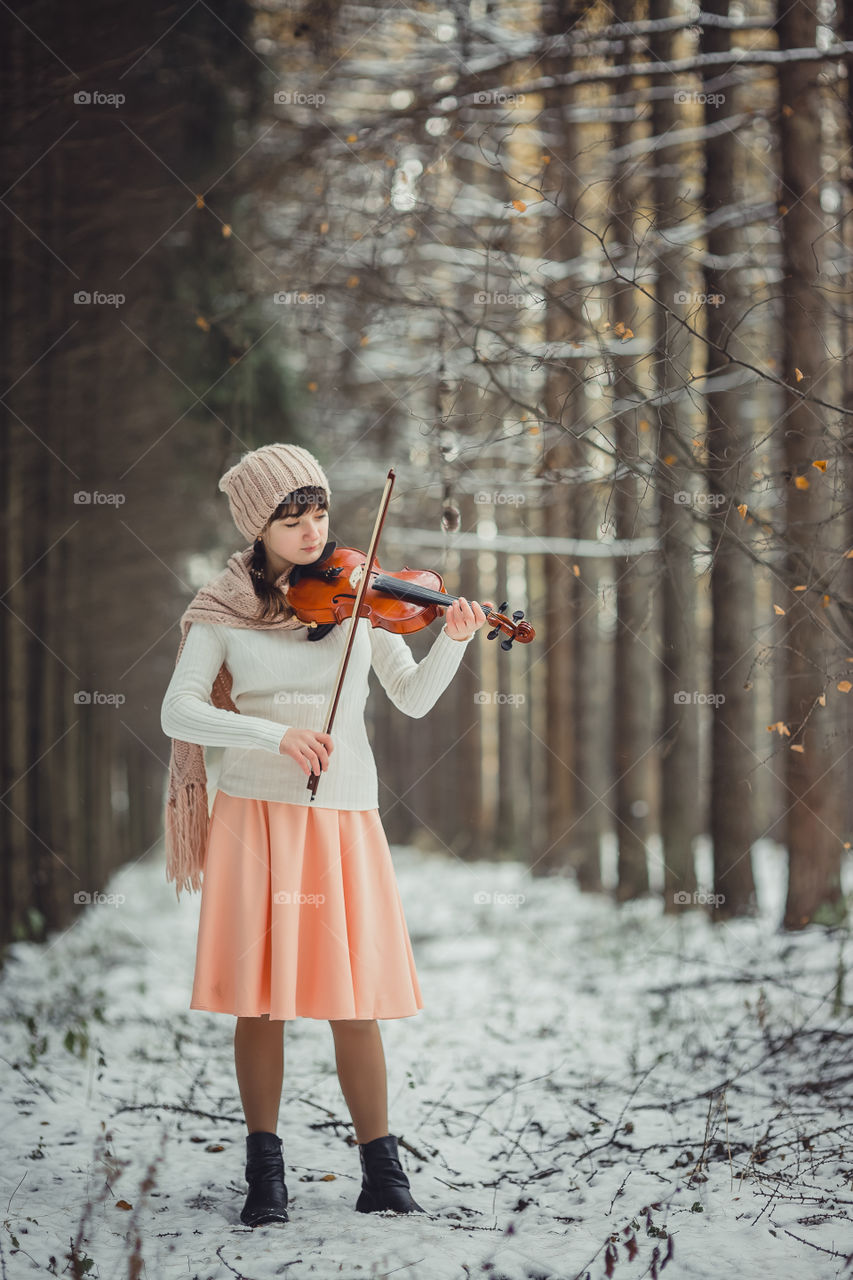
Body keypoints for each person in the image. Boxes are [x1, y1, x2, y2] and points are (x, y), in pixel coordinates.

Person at [160, 443, 492, 1227]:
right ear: (257, 526)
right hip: (254, 814)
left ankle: (383, 1170)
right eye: (291, 519)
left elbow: (409, 699)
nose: (312, 533)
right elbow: (177, 710)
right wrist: (269, 736)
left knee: (355, 1000)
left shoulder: (354, 596)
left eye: (318, 515)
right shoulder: (221, 608)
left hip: (342, 813)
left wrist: (450, 639)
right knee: (261, 1002)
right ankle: (265, 1176)